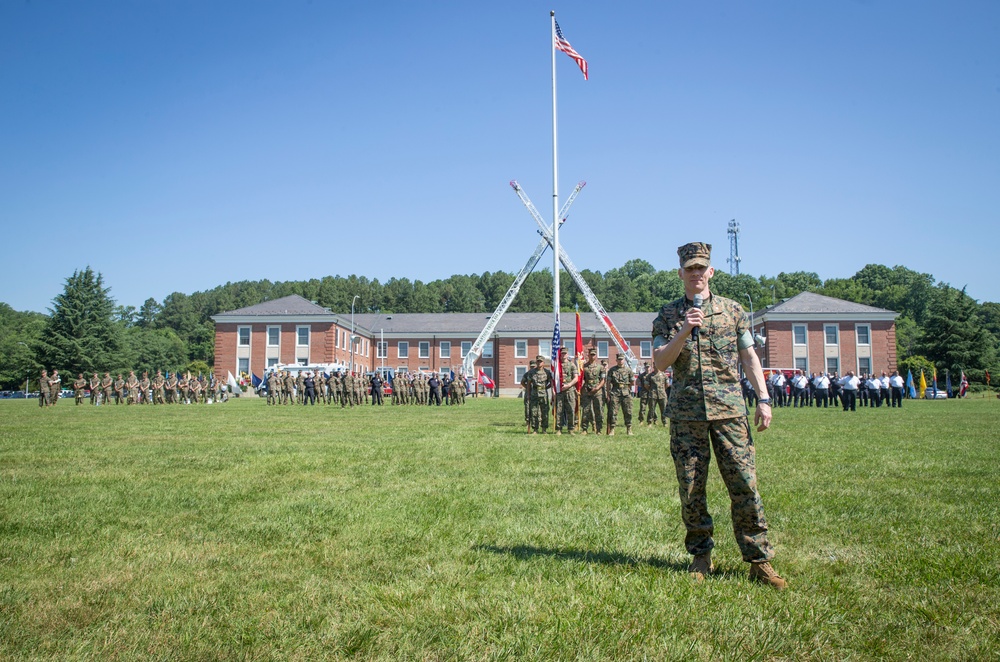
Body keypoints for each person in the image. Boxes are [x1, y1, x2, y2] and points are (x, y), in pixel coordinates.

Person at [652, 241, 785, 589]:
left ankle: (758, 560)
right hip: (687, 413)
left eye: (701, 268)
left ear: (710, 272)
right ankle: (701, 555)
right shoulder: (667, 315)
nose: (696, 274)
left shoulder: (733, 311)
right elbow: (660, 362)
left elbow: (750, 358)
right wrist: (683, 329)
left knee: (744, 483)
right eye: (689, 268)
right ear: (681, 274)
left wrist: (764, 399)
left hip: (730, 412)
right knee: (692, 488)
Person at [605, 353, 635, 436]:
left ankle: (629, 428)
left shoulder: (628, 370)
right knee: (613, 411)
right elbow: (608, 382)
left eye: (622, 359)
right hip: (615, 392)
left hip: (626, 393)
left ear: (624, 360)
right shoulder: (612, 370)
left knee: (628, 411)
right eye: (619, 359)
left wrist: (627, 388)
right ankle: (612, 429)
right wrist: (608, 394)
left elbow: (632, 382)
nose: (620, 361)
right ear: (616, 360)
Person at [524, 355, 553, 434]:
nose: (539, 363)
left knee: (545, 412)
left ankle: (544, 429)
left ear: (543, 363)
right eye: (538, 361)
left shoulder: (547, 372)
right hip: (534, 393)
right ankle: (535, 429)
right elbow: (529, 384)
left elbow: (551, 382)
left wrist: (546, 388)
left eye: (540, 361)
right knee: (534, 412)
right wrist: (528, 394)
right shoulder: (531, 372)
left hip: (544, 394)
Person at [579, 350, 605, 435]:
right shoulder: (584, 366)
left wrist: (597, 388)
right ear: (588, 355)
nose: (592, 356)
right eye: (591, 355)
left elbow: (603, 380)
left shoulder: (600, 367)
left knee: (598, 410)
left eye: (594, 355)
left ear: (596, 356)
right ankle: (584, 429)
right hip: (587, 391)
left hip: (597, 391)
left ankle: (599, 429)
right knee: (586, 410)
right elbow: (581, 380)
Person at [556, 348, 579, 435]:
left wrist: (569, 385)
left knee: (571, 410)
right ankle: (559, 428)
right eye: (562, 353)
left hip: (570, 391)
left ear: (568, 354)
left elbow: (576, 378)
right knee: (559, 410)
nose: (564, 355)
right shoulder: (557, 365)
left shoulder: (572, 365)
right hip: (560, 391)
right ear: (560, 354)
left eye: (565, 353)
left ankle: (571, 429)